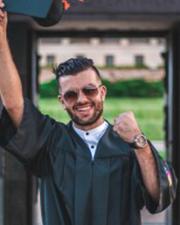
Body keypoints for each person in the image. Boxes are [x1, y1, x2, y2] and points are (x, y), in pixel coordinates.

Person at [0, 4, 177, 225]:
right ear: (62, 101)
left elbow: (160, 197)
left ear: (102, 92)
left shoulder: (129, 145)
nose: (82, 99)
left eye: (89, 90)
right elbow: (15, 105)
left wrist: (139, 143)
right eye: (71, 95)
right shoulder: (50, 141)